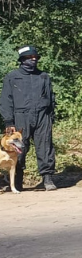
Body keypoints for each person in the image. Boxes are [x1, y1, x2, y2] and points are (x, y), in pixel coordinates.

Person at [1, 45, 57, 191]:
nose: (33, 59)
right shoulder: (12, 77)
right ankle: (17, 181)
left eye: (35, 57)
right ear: (22, 59)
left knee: (45, 146)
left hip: (42, 116)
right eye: (29, 57)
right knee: (19, 148)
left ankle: (47, 178)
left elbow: (51, 98)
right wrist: (8, 121)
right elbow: (6, 100)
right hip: (20, 116)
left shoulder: (43, 76)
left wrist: (50, 116)